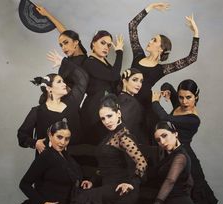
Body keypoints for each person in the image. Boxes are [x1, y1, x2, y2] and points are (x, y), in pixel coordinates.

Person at [151, 79, 223, 204]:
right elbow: (168, 85)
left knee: (193, 196)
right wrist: (166, 89)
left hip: (185, 158)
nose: (184, 102)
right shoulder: (179, 104)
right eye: (181, 97)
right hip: (172, 155)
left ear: (196, 97)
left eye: (188, 97)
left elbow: (165, 119)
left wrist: (155, 102)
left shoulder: (193, 119)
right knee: (176, 193)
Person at [69, 94, 147, 204]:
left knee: (84, 198)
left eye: (109, 116)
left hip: (121, 189)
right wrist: (93, 181)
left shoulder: (124, 136)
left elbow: (142, 163)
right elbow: (105, 166)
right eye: (103, 118)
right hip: (108, 186)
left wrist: (131, 183)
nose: (106, 121)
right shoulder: (110, 136)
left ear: (118, 113)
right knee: (82, 196)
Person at [128, 2, 199, 139]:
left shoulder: (162, 69)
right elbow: (132, 26)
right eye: (151, 39)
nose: (149, 41)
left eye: (154, 40)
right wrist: (151, 7)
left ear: (161, 48)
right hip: (126, 102)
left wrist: (195, 33)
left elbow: (191, 58)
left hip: (145, 109)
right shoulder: (138, 55)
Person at [13, 119, 83, 204]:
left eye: (67, 139)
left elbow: (75, 176)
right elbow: (24, 184)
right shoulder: (46, 156)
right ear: (50, 136)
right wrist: (43, 203)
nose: (63, 142)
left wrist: (85, 181)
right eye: (59, 137)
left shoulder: (66, 156)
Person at [139, 121, 199, 204]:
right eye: (158, 140)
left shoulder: (180, 156)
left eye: (164, 136)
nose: (162, 142)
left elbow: (170, 180)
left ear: (175, 134)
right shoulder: (169, 157)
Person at [17, 66, 88, 155]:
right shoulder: (38, 111)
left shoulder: (72, 102)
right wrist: (35, 143)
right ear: (49, 88)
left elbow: (83, 79)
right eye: (59, 82)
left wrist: (64, 62)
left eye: (63, 81)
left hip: (77, 159)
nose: (64, 84)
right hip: (51, 162)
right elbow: (22, 135)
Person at [80, 31, 124, 145]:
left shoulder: (104, 62)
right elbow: (113, 76)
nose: (106, 47)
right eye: (102, 43)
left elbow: (116, 79)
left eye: (109, 45)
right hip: (93, 111)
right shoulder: (89, 62)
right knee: (96, 146)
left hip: (105, 108)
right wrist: (119, 52)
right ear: (93, 43)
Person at [35, 6, 88, 87]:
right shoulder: (79, 50)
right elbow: (64, 32)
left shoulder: (85, 62)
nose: (63, 48)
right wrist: (46, 13)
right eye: (61, 45)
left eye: (66, 43)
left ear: (75, 42)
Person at [117, 67, 148, 144]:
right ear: (124, 81)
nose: (139, 84)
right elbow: (124, 129)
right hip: (133, 146)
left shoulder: (122, 98)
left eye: (141, 81)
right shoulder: (129, 101)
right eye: (135, 80)